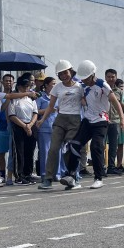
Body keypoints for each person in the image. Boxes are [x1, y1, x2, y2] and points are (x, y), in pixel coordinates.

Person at [58, 60, 124, 190]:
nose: (85, 81)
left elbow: (115, 101)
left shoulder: (102, 84)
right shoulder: (82, 85)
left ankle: (98, 178)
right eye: (83, 79)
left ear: (93, 74)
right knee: (74, 144)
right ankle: (71, 177)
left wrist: (122, 118)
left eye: (87, 78)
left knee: (96, 146)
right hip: (88, 120)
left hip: (101, 120)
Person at [39, 60, 83, 188]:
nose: (63, 76)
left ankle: (73, 177)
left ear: (71, 71)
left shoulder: (80, 87)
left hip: (75, 120)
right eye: (60, 74)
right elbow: (50, 106)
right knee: (53, 149)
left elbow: (86, 102)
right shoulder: (57, 88)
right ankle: (48, 178)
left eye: (65, 73)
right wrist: (42, 120)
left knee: (70, 149)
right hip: (60, 120)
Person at [35, 76, 56, 178]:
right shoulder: (41, 97)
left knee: (56, 151)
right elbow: (36, 111)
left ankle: (57, 173)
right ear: (46, 85)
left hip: (56, 127)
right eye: (53, 84)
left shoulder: (56, 96)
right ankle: (45, 173)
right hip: (44, 127)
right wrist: (49, 110)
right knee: (45, 152)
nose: (54, 86)